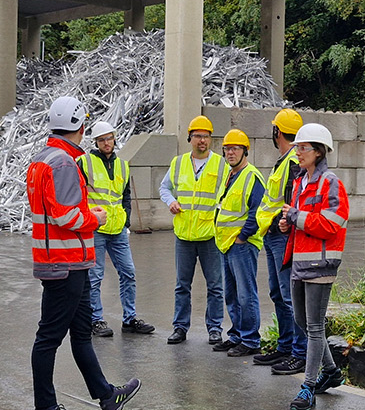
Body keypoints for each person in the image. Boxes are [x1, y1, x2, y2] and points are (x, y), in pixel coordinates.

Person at [26, 95, 141, 410]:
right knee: (49, 336)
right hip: (64, 262)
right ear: (80, 126)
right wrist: (96, 216)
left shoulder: (43, 159)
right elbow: (65, 214)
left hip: (67, 261)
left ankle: (106, 395)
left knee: (80, 333)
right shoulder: (62, 163)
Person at [280, 122, 348, 410]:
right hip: (300, 263)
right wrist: (287, 225)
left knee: (315, 326)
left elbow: (333, 224)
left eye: (303, 148)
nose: (298, 152)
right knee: (301, 322)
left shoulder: (330, 182)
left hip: (321, 264)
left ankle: (307, 386)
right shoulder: (300, 181)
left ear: (319, 152)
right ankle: (331, 372)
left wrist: (295, 217)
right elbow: (302, 221)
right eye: (297, 147)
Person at [80, 119, 155, 338]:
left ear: (114, 138)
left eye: (109, 138)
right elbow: (77, 194)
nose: (106, 143)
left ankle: (129, 319)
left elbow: (125, 195)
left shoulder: (122, 164)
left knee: (128, 274)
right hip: (96, 228)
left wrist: (126, 221)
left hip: (118, 230)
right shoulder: (83, 163)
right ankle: (96, 320)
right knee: (95, 277)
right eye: (102, 140)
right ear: (96, 141)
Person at [159, 115, 228, 345]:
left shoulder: (221, 164)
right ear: (190, 138)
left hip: (210, 235)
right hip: (184, 235)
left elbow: (228, 194)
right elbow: (164, 188)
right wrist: (170, 202)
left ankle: (215, 328)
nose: (202, 141)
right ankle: (180, 327)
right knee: (182, 286)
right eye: (198, 136)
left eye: (206, 137)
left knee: (216, 286)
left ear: (211, 140)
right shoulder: (178, 163)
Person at [254, 109, 308, 376]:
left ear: (277, 132)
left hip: (282, 237)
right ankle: (286, 346)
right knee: (278, 295)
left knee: (289, 297)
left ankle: (299, 353)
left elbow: (291, 203)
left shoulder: (292, 163)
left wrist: (278, 224)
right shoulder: (285, 160)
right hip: (272, 235)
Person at [214, 129, 268, 357]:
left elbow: (258, 211)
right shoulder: (230, 174)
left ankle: (250, 340)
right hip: (227, 244)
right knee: (232, 294)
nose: (230, 152)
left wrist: (242, 236)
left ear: (245, 150)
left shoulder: (251, 176)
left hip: (242, 245)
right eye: (227, 148)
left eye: (235, 148)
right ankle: (237, 335)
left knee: (246, 294)